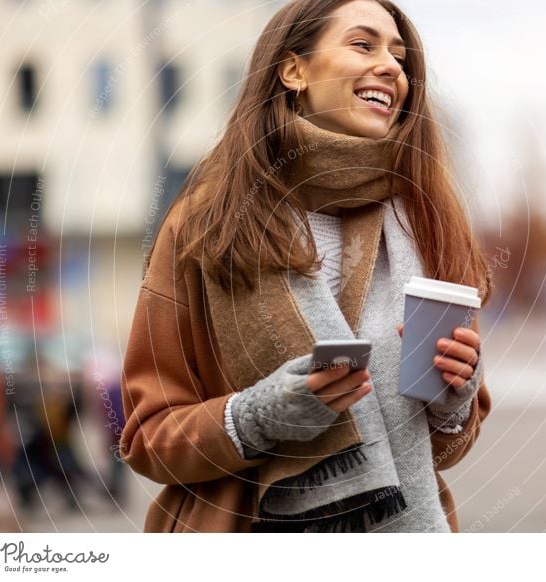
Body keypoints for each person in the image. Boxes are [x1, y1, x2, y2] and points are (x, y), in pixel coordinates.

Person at [120, 0, 492, 533]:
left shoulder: (426, 223)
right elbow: (145, 438)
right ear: (294, 70)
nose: (392, 67)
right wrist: (256, 418)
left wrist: (455, 396)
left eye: (399, 56)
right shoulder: (206, 226)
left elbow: (448, 449)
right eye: (363, 45)